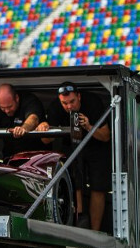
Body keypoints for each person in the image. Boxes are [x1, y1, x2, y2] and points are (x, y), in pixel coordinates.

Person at [35, 82, 111, 231]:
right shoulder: (55, 107)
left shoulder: (93, 102)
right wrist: (43, 128)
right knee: (73, 182)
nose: (69, 107)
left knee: (98, 186)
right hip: (70, 145)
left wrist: (89, 127)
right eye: (65, 103)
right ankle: (76, 223)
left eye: (72, 102)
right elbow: (45, 140)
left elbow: (106, 136)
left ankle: (95, 230)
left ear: (79, 96)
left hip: (96, 145)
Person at [0, 84, 47, 158]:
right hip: (11, 156)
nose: (7, 111)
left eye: (10, 107)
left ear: (16, 98)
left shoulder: (29, 100)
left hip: (36, 155)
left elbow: (33, 118)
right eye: (3, 108)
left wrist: (24, 128)